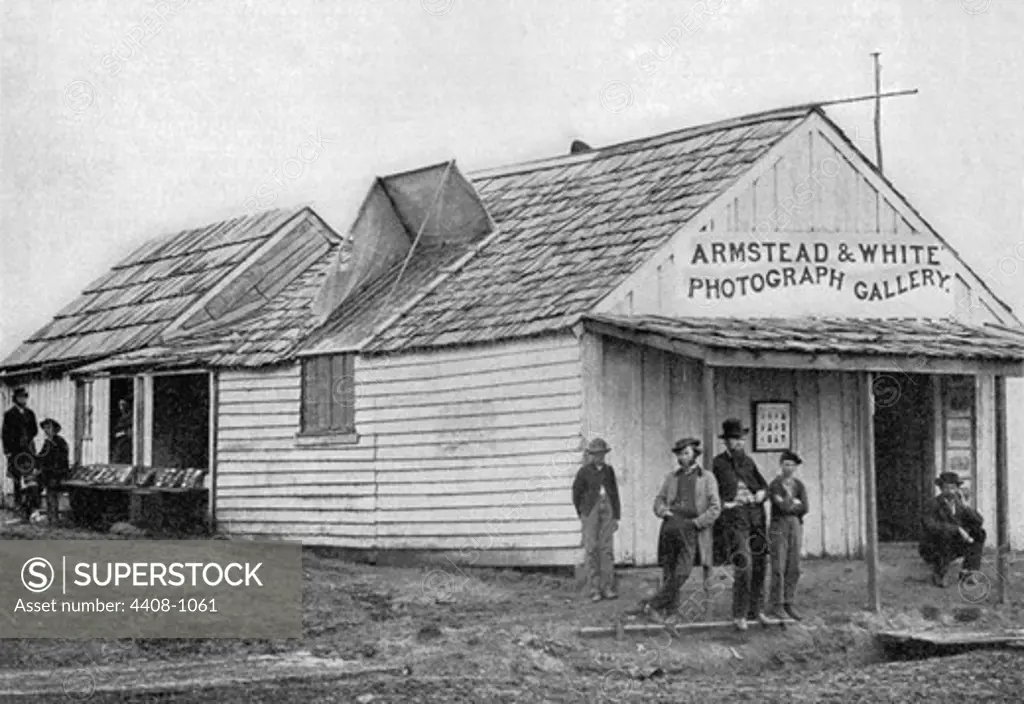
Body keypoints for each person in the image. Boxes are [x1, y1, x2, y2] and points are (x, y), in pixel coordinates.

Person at [640, 437, 721, 622]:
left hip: (691, 526)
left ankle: (652, 604)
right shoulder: (672, 477)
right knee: (669, 570)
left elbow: (715, 507)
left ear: (694, 455)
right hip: (670, 525)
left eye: (686, 453)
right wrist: (662, 511)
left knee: (683, 571)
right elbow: (658, 499)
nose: (682, 457)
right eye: (679, 454)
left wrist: (697, 523)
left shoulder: (707, 477)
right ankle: (671, 612)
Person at [712, 418, 771, 631]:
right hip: (735, 518)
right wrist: (726, 504)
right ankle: (740, 613)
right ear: (726, 442)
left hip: (756, 515)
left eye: (740, 439)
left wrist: (762, 494)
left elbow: (762, 485)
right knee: (743, 564)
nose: (737, 443)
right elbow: (711, 492)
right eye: (733, 440)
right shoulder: (718, 464)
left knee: (760, 563)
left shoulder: (748, 462)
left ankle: (758, 610)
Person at [572, 437, 622, 602]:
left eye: (600, 454)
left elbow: (614, 493)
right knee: (591, 548)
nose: (598, 457)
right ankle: (594, 589)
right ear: (590, 455)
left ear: (604, 455)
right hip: (590, 511)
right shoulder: (584, 472)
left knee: (606, 549)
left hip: (607, 509)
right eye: (594, 454)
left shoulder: (609, 471)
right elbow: (576, 494)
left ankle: (607, 587)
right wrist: (583, 514)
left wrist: (616, 516)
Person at [919, 471, 986, 587]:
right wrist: (957, 529)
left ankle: (968, 573)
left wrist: (966, 506)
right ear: (940, 488)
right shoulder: (932, 504)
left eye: (953, 488)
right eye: (946, 488)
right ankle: (940, 574)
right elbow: (930, 526)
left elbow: (979, 521)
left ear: (957, 489)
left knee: (979, 533)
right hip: (934, 546)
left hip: (955, 543)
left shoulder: (960, 504)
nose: (950, 491)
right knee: (945, 536)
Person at [767, 450, 808, 621]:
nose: (788, 468)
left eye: (792, 465)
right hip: (778, 525)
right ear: (781, 465)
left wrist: (793, 504)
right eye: (786, 464)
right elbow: (781, 506)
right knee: (778, 566)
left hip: (795, 525)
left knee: (794, 566)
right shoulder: (775, 485)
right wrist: (793, 503)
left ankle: (788, 602)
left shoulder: (799, 485)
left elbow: (805, 507)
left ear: (796, 467)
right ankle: (776, 604)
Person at [3, 387, 38, 512]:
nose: (23, 399)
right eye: (20, 397)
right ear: (15, 399)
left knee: (30, 476)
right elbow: (5, 433)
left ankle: (30, 504)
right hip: (15, 450)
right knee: (16, 477)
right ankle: (18, 503)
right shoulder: (9, 414)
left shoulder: (30, 413)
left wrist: (27, 438)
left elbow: (35, 430)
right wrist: (7, 450)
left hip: (27, 449)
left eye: (24, 397)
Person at [37, 418, 70, 525]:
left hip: (57, 473)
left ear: (55, 429)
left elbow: (62, 459)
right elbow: (42, 456)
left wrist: (54, 469)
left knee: (52, 494)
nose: (46, 430)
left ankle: (54, 518)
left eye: (49, 428)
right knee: (49, 494)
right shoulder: (47, 442)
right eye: (45, 428)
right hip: (48, 473)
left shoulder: (60, 442)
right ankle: (51, 517)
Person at [112, 398, 133, 464]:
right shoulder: (121, 417)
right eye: (120, 405)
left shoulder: (130, 416)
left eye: (122, 405)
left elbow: (129, 429)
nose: (121, 407)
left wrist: (123, 433)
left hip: (125, 440)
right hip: (120, 439)